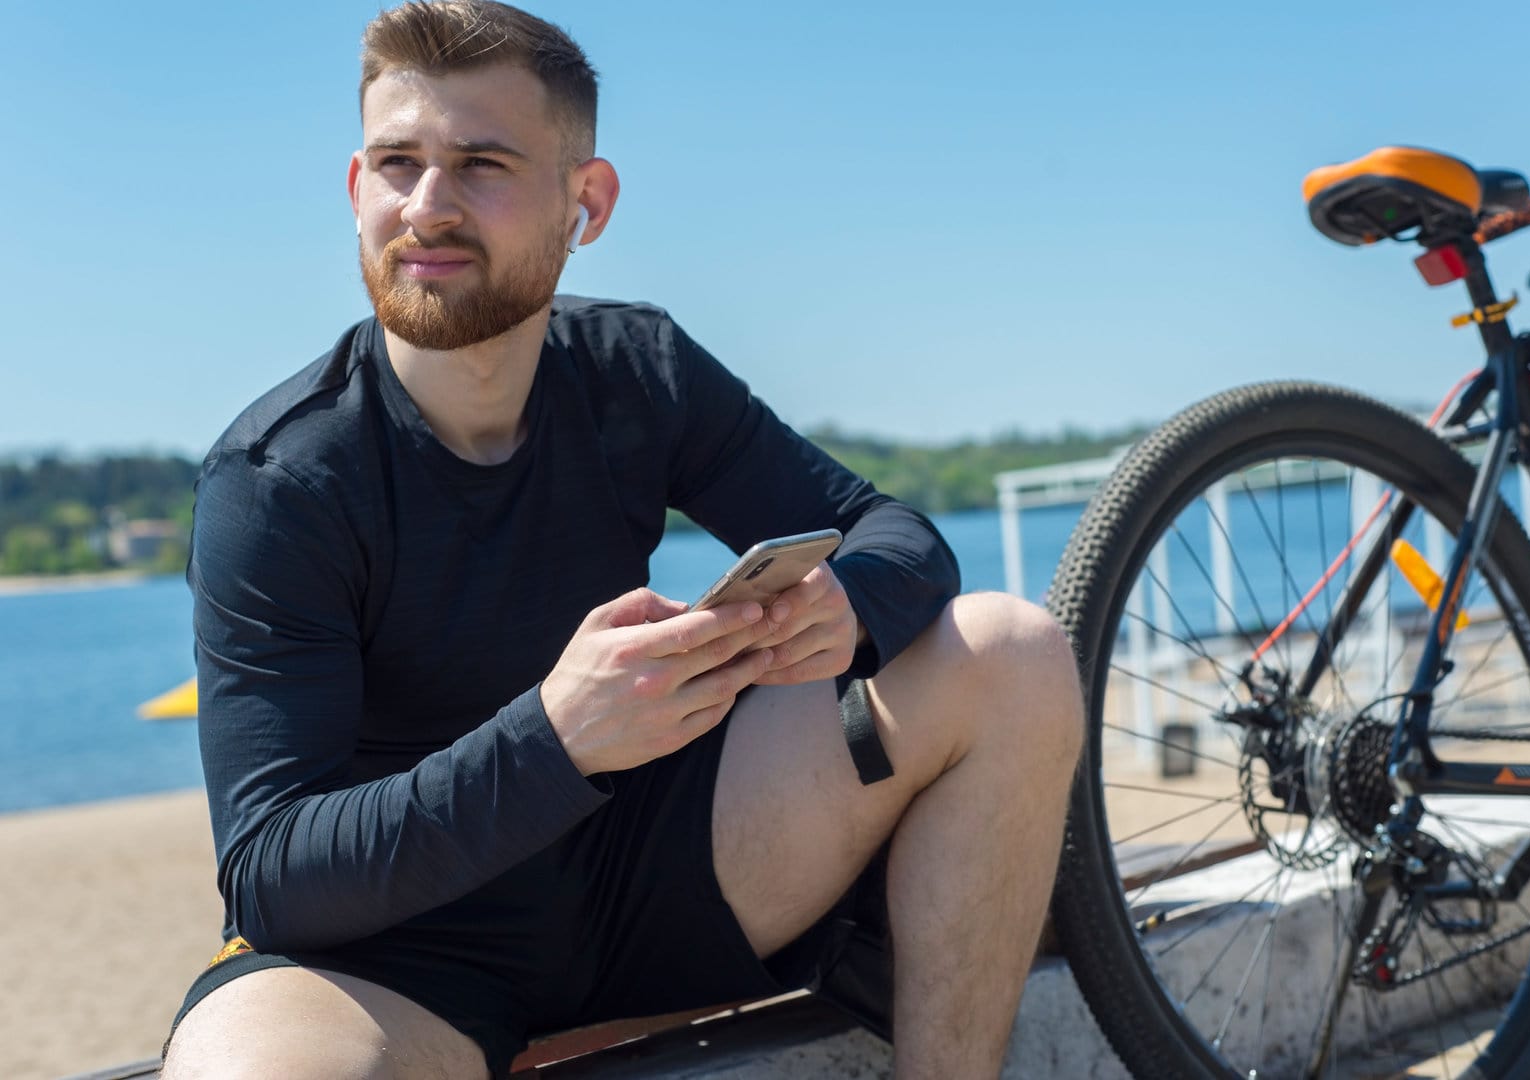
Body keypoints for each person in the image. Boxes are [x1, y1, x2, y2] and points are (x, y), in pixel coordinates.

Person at [160, 2, 1081, 1077]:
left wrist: (847, 608)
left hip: (665, 880)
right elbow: (271, 875)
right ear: (357, 187)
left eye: (482, 164)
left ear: (584, 203)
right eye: (399, 163)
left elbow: (893, 533)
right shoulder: (280, 480)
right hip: (398, 956)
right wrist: (554, 738)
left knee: (1008, 650)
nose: (427, 205)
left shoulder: (636, 369)